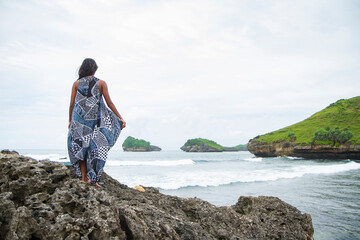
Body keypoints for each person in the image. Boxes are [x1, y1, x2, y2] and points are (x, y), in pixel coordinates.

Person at [67, 58, 126, 188]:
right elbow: (110, 103)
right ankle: (92, 179)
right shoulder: (101, 83)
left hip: (79, 121)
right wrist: (120, 117)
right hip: (95, 121)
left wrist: (70, 120)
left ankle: (84, 178)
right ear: (94, 69)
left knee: (81, 148)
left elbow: (72, 104)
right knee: (95, 148)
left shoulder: (76, 84)